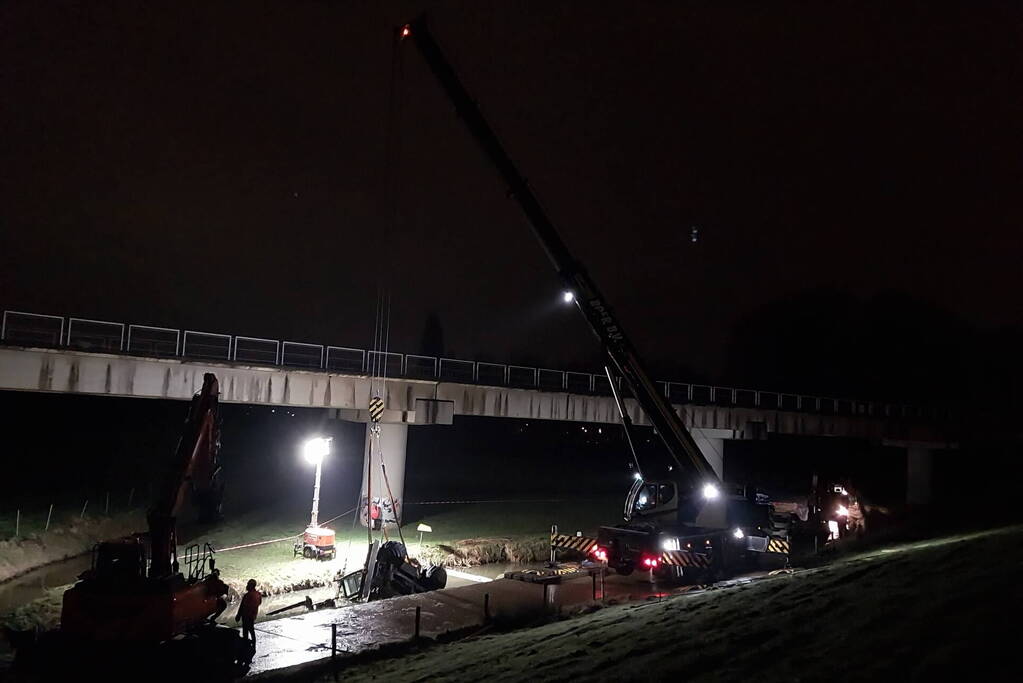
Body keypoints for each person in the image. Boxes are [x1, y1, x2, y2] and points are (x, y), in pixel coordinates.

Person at [235, 579, 262, 646]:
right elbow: (259, 603)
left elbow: (242, 606)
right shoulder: (258, 594)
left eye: (248, 584)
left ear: (251, 586)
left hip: (246, 615)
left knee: (246, 630)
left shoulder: (247, 595)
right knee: (251, 629)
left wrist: (238, 615)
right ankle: (253, 642)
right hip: (253, 615)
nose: (247, 586)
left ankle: (246, 643)